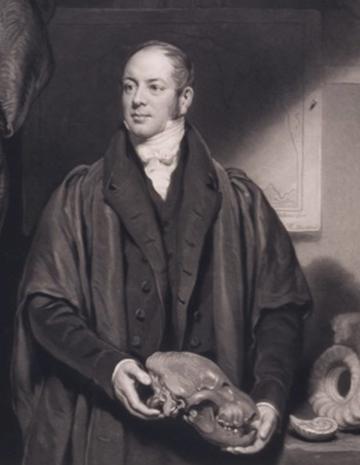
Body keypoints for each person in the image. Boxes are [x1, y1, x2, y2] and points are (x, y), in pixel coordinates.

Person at [12, 41, 311, 465]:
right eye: (129, 86)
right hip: (109, 425)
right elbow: (44, 306)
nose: (136, 99)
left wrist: (268, 398)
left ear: (184, 99)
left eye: (154, 87)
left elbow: (281, 309)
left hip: (213, 432)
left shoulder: (240, 200)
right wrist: (109, 368)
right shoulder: (77, 197)